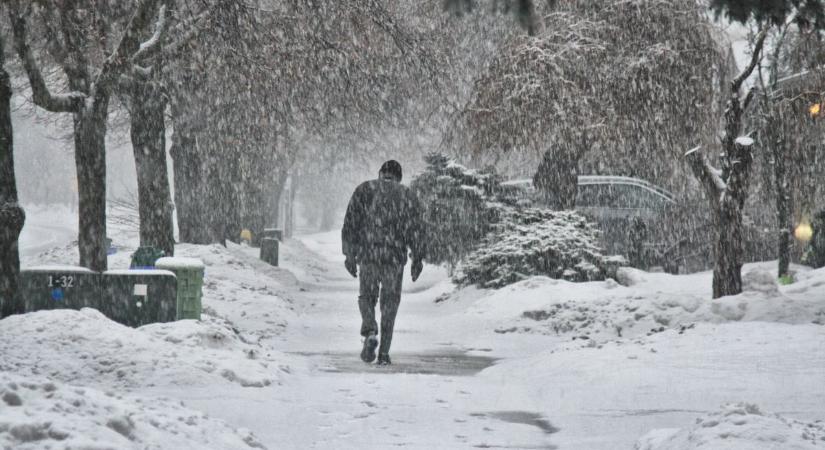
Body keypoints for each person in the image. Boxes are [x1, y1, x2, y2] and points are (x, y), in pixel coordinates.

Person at [341, 160, 425, 365]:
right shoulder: (407, 195)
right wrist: (417, 258)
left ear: (381, 173)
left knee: (367, 297)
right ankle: (384, 353)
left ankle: (370, 331)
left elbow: (350, 224)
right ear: (399, 177)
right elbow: (416, 229)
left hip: (369, 255)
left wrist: (349, 255)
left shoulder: (364, 190)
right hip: (394, 259)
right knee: (390, 303)